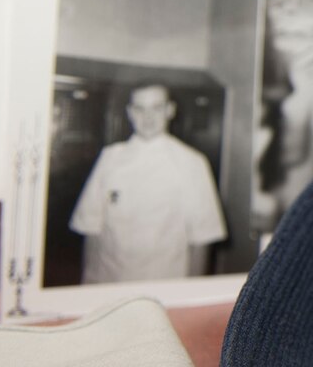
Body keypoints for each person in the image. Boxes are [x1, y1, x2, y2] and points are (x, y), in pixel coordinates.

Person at [69, 83, 228, 284]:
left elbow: (203, 237)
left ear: (170, 111)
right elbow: (91, 227)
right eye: (140, 108)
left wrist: (189, 294)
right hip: (109, 281)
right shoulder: (110, 158)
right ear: (130, 113)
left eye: (157, 107)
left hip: (164, 284)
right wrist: (89, 284)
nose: (148, 117)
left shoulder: (192, 163)